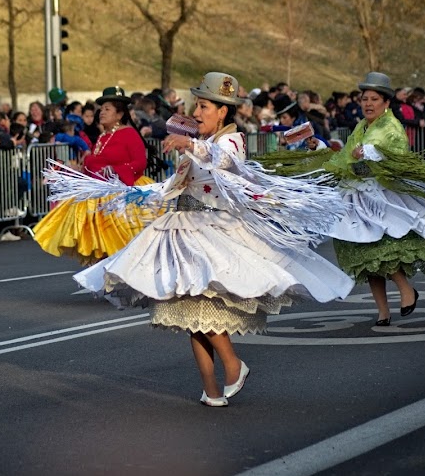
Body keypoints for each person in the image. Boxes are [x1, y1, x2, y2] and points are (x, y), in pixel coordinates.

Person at [62, 73, 352, 406]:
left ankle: (233, 365)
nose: (196, 112)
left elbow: (223, 160)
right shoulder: (201, 141)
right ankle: (211, 388)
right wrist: (131, 193)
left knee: (199, 305)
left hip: (212, 230)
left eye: (203, 106)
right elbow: (176, 184)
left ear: (222, 111)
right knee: (189, 313)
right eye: (196, 105)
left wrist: (190, 146)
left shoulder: (231, 141)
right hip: (183, 227)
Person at [259, 72, 425, 327]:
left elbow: (389, 159)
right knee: (362, 255)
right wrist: (321, 148)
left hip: (381, 198)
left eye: (374, 99)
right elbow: (344, 159)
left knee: (380, 250)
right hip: (354, 195)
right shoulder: (361, 126)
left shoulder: (391, 127)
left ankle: (406, 290)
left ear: (386, 102)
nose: (368, 104)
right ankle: (383, 311)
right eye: (365, 99)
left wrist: (368, 156)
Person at [34, 86, 151, 265]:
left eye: (107, 109)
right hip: (98, 193)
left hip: (121, 194)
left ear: (119, 114)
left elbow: (140, 163)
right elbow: (95, 163)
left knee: (120, 243)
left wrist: (116, 170)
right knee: (101, 244)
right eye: (101, 109)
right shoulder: (103, 136)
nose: (101, 112)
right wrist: (79, 170)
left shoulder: (129, 134)